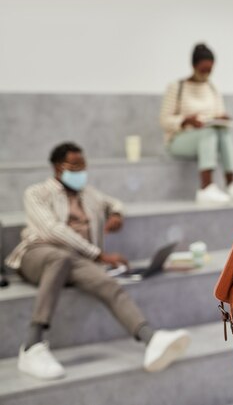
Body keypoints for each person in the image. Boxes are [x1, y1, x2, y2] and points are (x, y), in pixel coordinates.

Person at [5, 142, 190, 380]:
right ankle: (32, 345)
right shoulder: (37, 193)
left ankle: (151, 339)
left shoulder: (89, 194)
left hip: (75, 259)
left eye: (83, 165)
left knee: (107, 284)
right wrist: (98, 254)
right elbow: (52, 230)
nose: (80, 171)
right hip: (37, 254)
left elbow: (115, 203)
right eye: (75, 166)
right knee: (60, 258)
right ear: (57, 168)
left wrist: (116, 214)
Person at [160, 43, 233, 203]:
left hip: (208, 138)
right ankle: (206, 188)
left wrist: (222, 118)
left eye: (210, 70)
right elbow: (164, 121)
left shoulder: (212, 88)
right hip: (178, 141)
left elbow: (218, 113)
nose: (206, 73)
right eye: (203, 69)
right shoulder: (176, 87)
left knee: (223, 131)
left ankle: (231, 184)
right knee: (209, 132)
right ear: (194, 65)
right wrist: (186, 120)